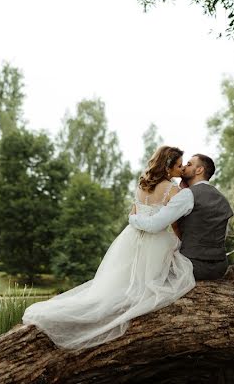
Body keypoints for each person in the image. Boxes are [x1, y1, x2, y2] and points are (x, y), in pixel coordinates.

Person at [22, 145, 195, 349]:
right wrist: (180, 241)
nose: (181, 169)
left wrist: (139, 221)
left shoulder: (142, 185)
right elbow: (172, 223)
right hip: (155, 239)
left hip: (131, 237)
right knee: (145, 284)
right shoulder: (172, 190)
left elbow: (133, 214)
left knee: (119, 282)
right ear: (168, 167)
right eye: (178, 165)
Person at [128, 153, 233, 280]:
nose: (183, 168)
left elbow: (154, 225)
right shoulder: (222, 199)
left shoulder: (188, 195)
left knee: (144, 270)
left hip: (192, 267)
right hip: (219, 268)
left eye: (189, 164)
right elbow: (221, 235)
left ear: (199, 170)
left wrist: (133, 218)